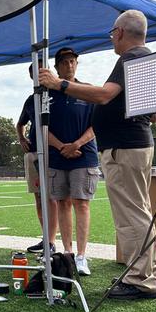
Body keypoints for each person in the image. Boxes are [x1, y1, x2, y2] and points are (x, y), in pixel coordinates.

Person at [39, 10, 156, 300]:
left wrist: (60, 85)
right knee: (140, 211)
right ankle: (149, 272)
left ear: (119, 32)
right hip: (135, 144)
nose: (112, 39)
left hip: (125, 147)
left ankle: (139, 280)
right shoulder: (145, 58)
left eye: (112, 34)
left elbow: (105, 95)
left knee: (131, 215)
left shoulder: (130, 58)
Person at [45, 47, 98, 276]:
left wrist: (76, 144)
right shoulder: (46, 95)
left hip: (83, 155)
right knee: (62, 203)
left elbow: (96, 125)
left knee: (82, 203)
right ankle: (67, 253)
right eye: (64, 62)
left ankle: (81, 256)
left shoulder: (87, 91)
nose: (69, 65)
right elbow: (41, 127)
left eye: (73, 61)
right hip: (57, 156)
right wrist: (61, 147)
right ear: (56, 67)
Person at [17, 61, 59, 254]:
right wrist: (21, 138)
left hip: (53, 153)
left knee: (51, 198)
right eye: (35, 71)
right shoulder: (30, 99)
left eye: (43, 68)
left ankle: (51, 241)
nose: (40, 73)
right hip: (33, 152)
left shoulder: (57, 93)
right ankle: (45, 239)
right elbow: (20, 123)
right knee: (39, 198)